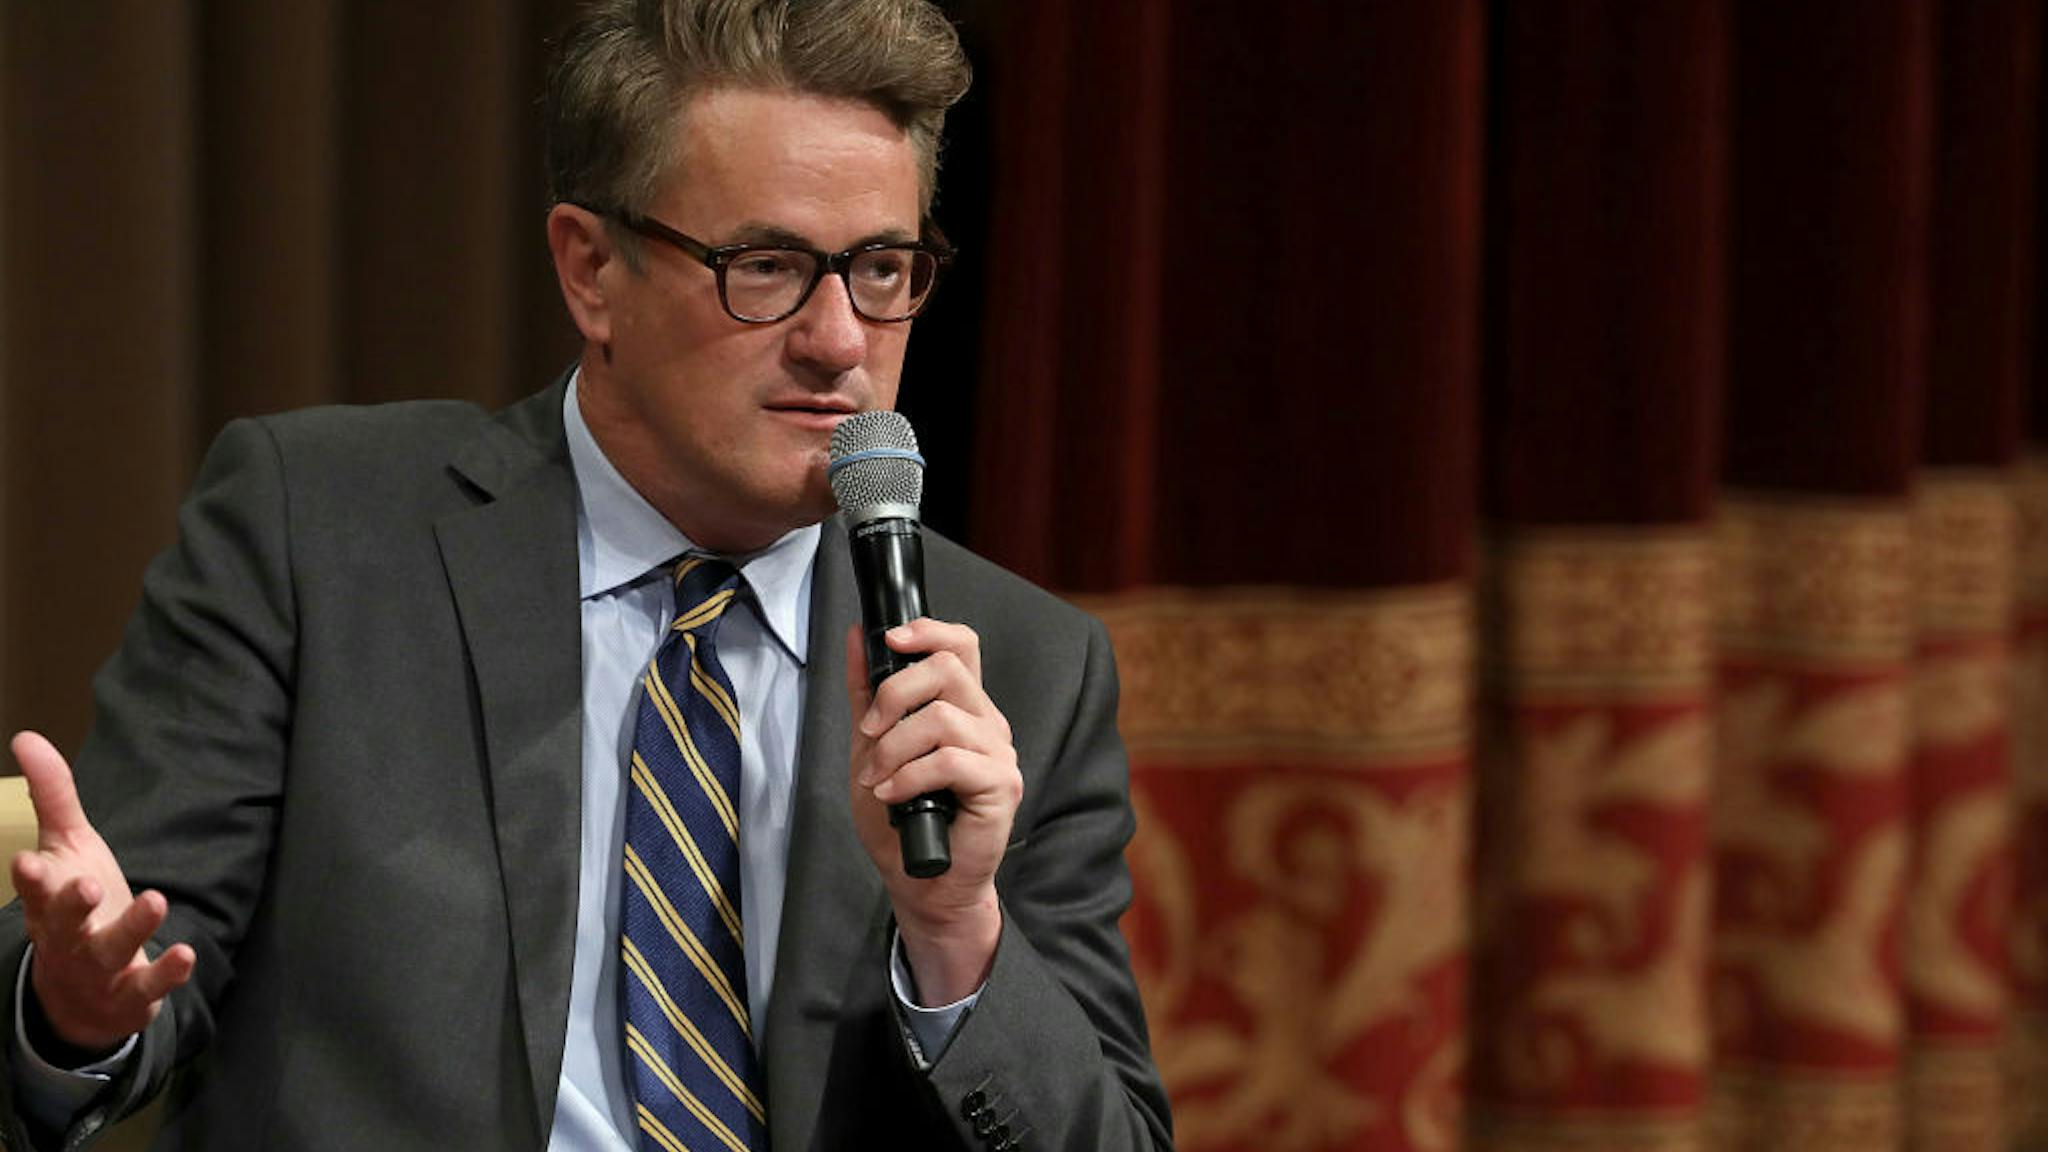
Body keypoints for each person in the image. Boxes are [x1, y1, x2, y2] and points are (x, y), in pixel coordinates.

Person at [0, 1, 1173, 1149]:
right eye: (765, 266)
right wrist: (75, 1012)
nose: (838, 341)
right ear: (591, 269)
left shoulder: (1021, 669)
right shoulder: (318, 534)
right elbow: (130, 953)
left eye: (880, 269)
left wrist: (955, 928)